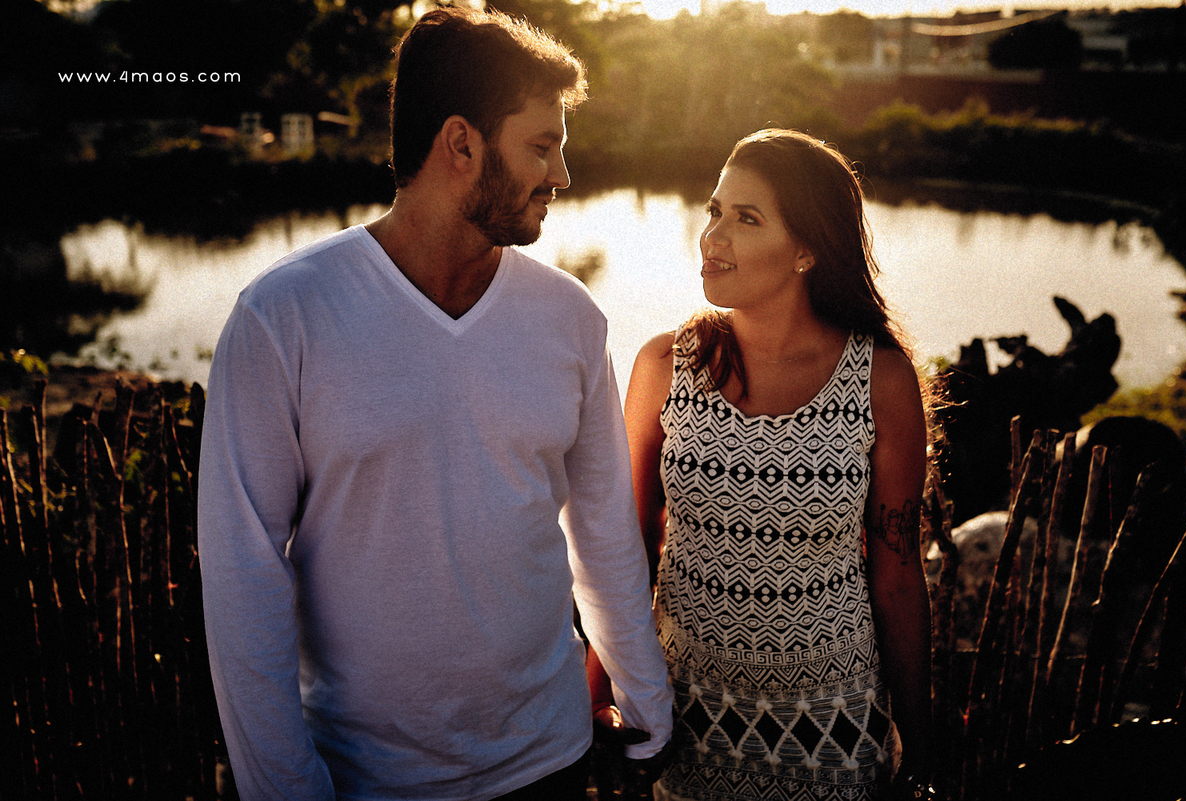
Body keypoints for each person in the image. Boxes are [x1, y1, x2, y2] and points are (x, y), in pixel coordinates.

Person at [198, 7, 672, 800]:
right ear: (462, 144)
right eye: (542, 146)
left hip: (548, 763)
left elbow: (603, 537)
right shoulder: (283, 318)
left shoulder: (571, 320)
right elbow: (243, 576)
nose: (562, 175)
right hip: (368, 778)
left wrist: (646, 700)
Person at [590, 129, 934, 800]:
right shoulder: (665, 366)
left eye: (746, 219)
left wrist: (919, 741)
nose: (713, 235)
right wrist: (595, 695)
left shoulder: (879, 380)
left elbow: (897, 573)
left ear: (808, 249)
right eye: (715, 210)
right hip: (685, 723)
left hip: (831, 728)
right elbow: (623, 547)